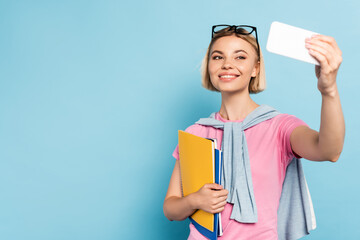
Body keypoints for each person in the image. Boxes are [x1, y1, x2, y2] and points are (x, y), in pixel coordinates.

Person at [163, 25, 345, 240]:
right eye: (218, 57)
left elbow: (328, 151)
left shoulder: (279, 127)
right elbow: (170, 208)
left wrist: (329, 90)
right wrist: (194, 201)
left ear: (255, 68)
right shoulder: (196, 132)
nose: (227, 64)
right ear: (209, 67)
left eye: (240, 57)